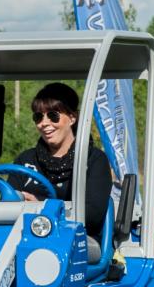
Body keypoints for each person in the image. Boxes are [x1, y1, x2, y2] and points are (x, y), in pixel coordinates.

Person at [11, 82, 114, 240]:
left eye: (53, 115)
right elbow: (8, 204)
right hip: (26, 238)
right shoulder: (25, 161)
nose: (44, 123)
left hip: (79, 239)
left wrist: (40, 206)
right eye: (38, 117)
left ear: (72, 117)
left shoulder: (94, 160)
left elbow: (92, 216)